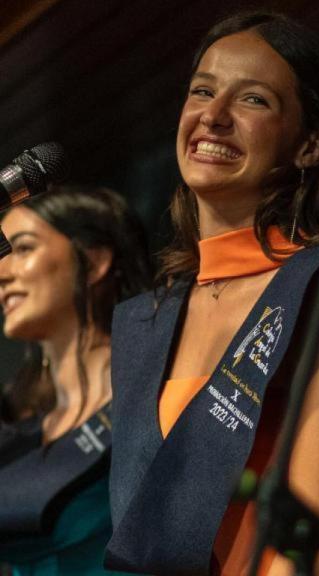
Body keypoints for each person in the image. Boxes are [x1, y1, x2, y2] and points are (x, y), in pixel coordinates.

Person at [103, 12, 319, 576]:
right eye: (202, 91)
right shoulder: (153, 315)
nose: (212, 117)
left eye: (253, 101)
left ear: (312, 145)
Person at [0, 186, 151, 575]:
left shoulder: (150, 394)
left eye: (22, 249)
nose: (1, 272)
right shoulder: (22, 423)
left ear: (96, 261)